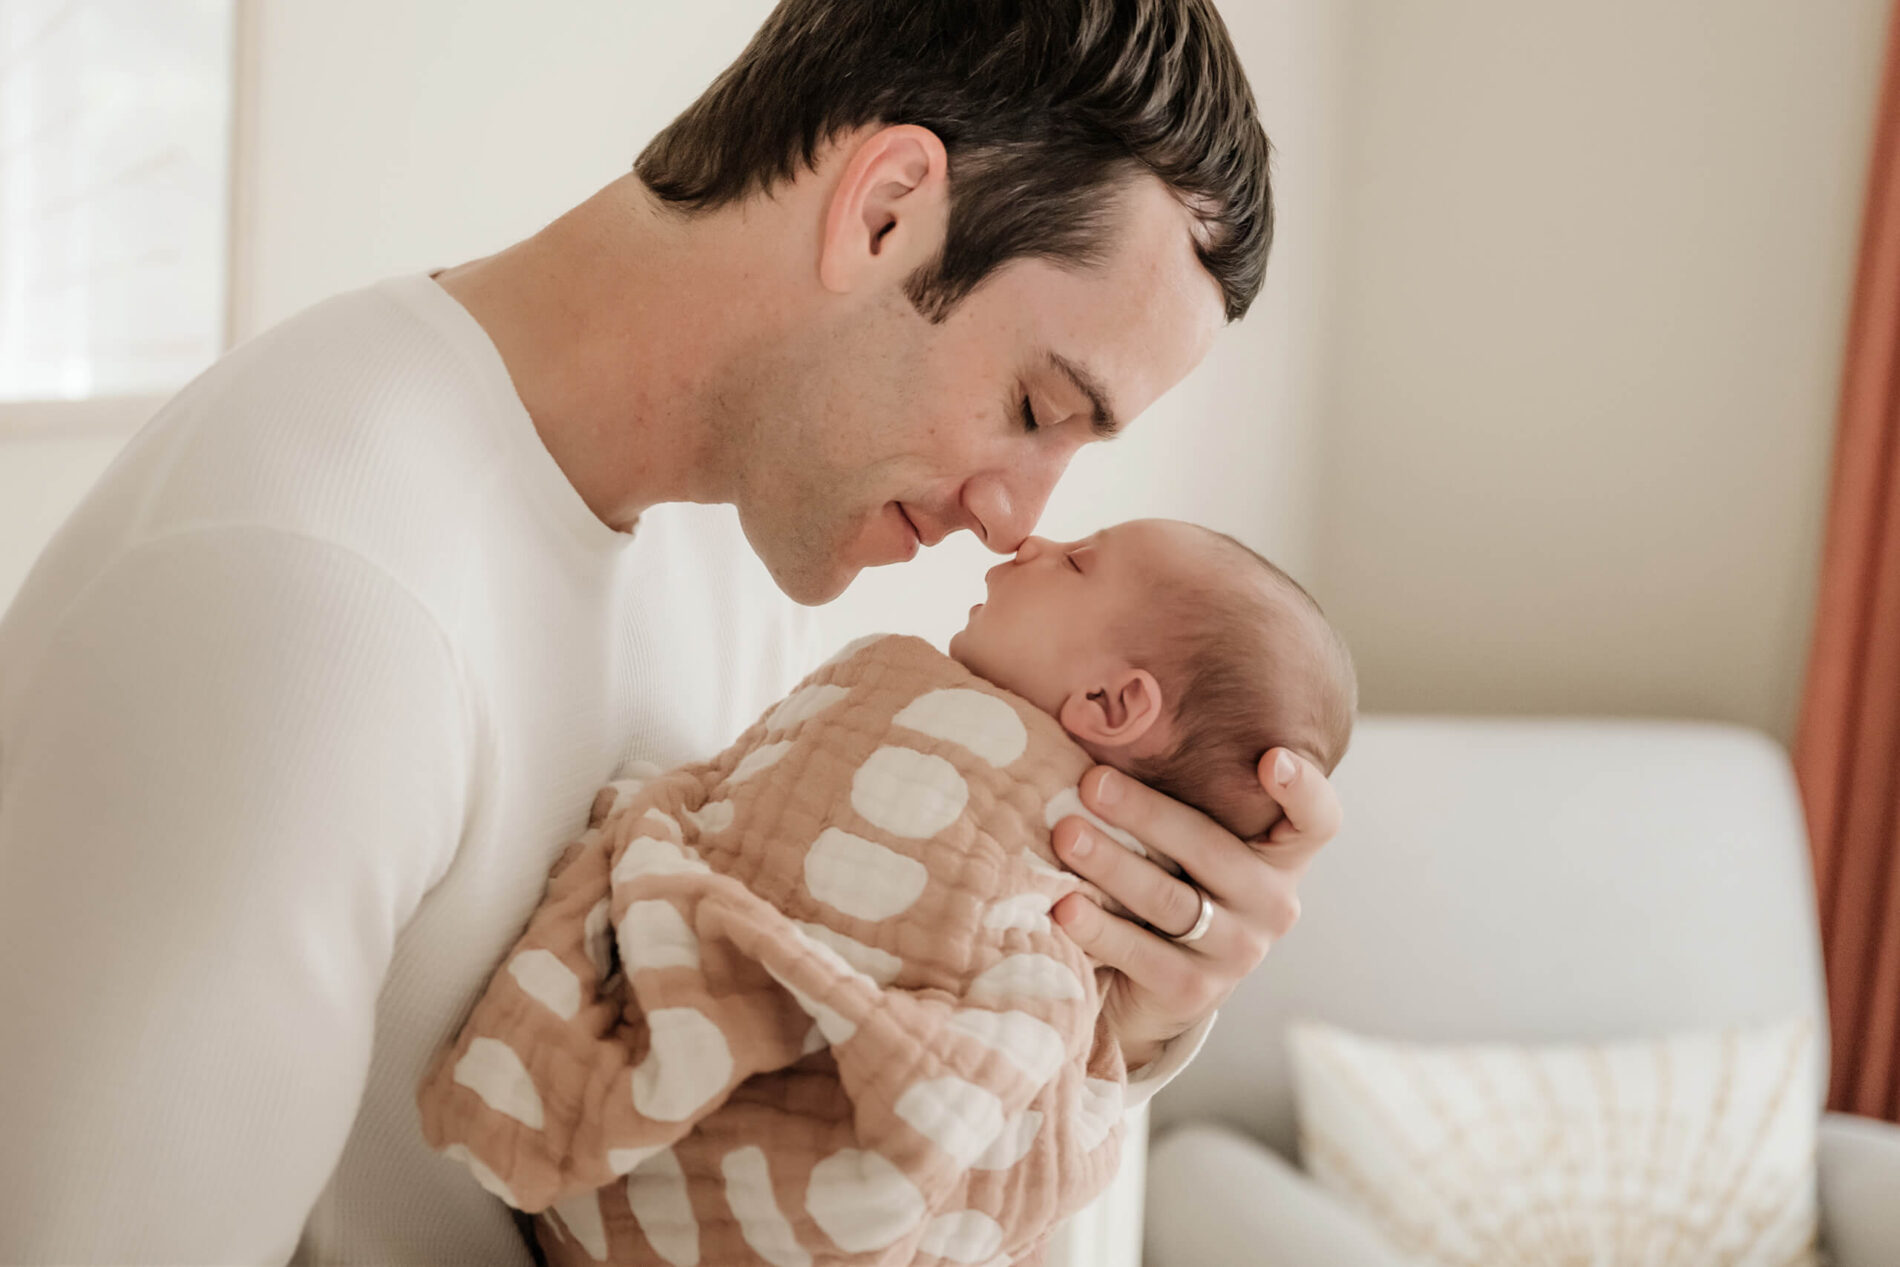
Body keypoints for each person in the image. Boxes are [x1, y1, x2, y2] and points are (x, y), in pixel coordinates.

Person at [0, 2, 1343, 1263]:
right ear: (885, 213)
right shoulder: (304, 594)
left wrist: (1130, 996)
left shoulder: (737, 532)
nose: (1017, 520)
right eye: (1039, 406)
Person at [417, 518, 1356, 1267]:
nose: (1024, 535)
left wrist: (1139, 1032)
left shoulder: (1034, 825)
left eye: (1073, 563)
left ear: (1112, 704)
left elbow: (1035, 1076)